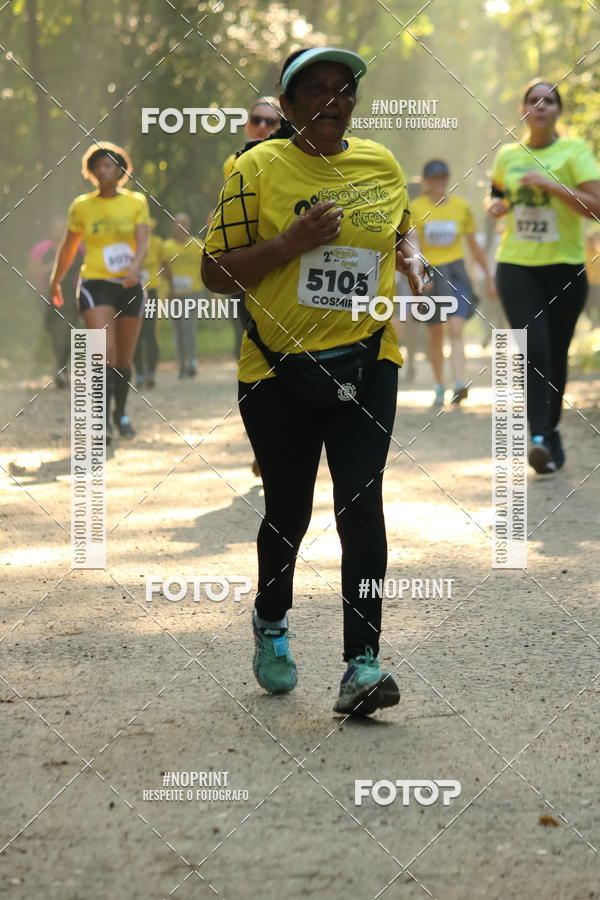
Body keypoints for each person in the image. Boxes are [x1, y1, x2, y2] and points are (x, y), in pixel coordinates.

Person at [202, 47, 430, 716]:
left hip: (368, 361)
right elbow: (215, 274)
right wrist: (287, 245)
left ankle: (363, 665)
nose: (333, 100)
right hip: (277, 369)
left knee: (361, 508)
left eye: (345, 89)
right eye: (317, 89)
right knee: (289, 512)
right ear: (292, 103)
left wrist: (414, 261)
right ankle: (271, 620)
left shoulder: (380, 165)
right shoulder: (256, 169)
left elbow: (401, 230)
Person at [487, 79, 600, 473]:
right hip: (517, 265)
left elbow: (596, 207)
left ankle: (549, 437)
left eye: (549, 101)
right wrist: (496, 207)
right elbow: (497, 194)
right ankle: (536, 436)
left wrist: (552, 186)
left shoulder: (574, 152)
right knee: (534, 347)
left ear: (558, 111)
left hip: (566, 268)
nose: (540, 106)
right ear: (523, 109)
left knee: (556, 354)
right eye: (533, 100)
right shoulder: (507, 155)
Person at [49, 141, 149, 442]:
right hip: (95, 284)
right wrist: (56, 279)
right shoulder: (82, 205)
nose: (104, 171)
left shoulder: (136, 202)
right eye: (98, 166)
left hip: (129, 285)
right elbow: (68, 246)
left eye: (109, 165)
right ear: (91, 172)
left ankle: (121, 413)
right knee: (103, 353)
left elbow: (143, 242)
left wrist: (135, 267)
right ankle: (101, 421)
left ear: (120, 170)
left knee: (123, 359)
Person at [412, 160, 497, 406]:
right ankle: (440, 384)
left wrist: (488, 277)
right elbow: (412, 247)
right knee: (435, 334)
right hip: (430, 275)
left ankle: (459, 384)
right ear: (426, 181)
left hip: (457, 273)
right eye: (435, 177)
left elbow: (473, 245)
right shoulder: (416, 208)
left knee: (456, 328)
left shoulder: (461, 207)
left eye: (444, 176)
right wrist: (421, 276)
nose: (440, 181)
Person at [27, 216, 82, 388]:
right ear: (51, 231)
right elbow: (32, 272)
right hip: (47, 296)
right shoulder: (42, 249)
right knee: (54, 332)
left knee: (65, 330)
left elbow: (86, 270)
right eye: (57, 229)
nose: (60, 232)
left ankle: (61, 369)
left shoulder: (78, 248)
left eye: (63, 228)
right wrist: (56, 265)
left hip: (71, 296)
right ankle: (61, 365)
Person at [162, 213, 204, 378]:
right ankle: (181, 365)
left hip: (193, 292)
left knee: (189, 327)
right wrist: (168, 282)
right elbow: (162, 267)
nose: (180, 225)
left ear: (189, 226)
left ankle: (192, 361)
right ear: (173, 226)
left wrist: (213, 293)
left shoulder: (197, 245)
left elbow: (204, 268)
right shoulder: (166, 247)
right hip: (174, 294)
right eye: (177, 222)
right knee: (178, 329)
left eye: (184, 223)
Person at [134, 218, 170, 388]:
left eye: (147, 228)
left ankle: (151, 373)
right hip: (134, 292)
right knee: (136, 334)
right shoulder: (132, 244)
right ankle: (139, 373)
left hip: (152, 291)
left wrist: (170, 286)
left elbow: (165, 265)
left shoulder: (157, 243)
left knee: (150, 333)